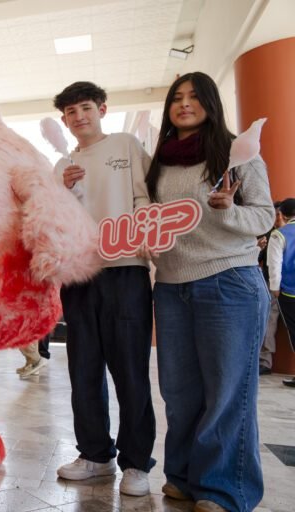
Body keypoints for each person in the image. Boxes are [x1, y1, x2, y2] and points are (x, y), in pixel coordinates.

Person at [144, 72, 273, 512]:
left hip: (229, 282)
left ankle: (223, 490)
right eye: (176, 97)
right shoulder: (158, 161)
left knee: (227, 392)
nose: (184, 104)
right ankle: (182, 476)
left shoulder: (237, 154)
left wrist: (230, 211)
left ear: (211, 103)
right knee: (179, 393)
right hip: (171, 285)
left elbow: (263, 218)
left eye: (194, 97)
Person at [51, 81, 156, 497]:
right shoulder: (60, 165)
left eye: (86, 108)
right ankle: (94, 454)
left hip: (125, 270)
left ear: (103, 109)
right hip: (78, 276)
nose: (79, 117)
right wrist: (60, 191)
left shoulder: (126, 146)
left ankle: (136, 462)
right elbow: (50, 220)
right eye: (71, 111)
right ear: (64, 120)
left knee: (130, 370)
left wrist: (145, 243)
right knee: (84, 370)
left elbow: (147, 199)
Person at [267, 198, 295, 387]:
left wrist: (274, 288)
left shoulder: (279, 235)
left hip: (290, 292)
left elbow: (274, 264)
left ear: (282, 215)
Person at [258, 201, 285, 375]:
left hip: (279, 285)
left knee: (269, 321)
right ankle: (264, 361)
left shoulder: (280, 234)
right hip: (273, 285)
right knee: (269, 321)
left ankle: (265, 361)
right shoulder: (269, 233)